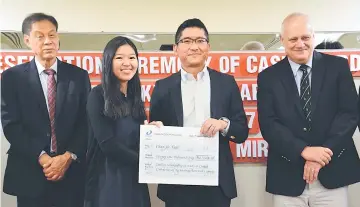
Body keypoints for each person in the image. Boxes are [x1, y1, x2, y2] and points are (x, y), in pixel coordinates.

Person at [257, 12, 360, 207]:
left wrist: (322, 155)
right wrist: (303, 151)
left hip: (332, 175)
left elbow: (348, 114)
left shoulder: (338, 67)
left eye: (305, 37)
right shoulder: (268, 77)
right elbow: (269, 124)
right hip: (287, 177)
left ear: (313, 37)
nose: (300, 44)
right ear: (282, 40)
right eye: (293, 39)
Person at [149, 18, 249, 207]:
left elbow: (242, 131)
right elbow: (155, 131)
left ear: (208, 47)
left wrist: (223, 124)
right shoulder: (163, 87)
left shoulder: (226, 84)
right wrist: (155, 131)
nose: (194, 47)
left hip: (217, 183)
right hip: (177, 183)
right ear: (175, 49)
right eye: (186, 41)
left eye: (200, 41)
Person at [1, 13, 91, 207]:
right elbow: (11, 126)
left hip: (71, 174)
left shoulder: (79, 76)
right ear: (27, 40)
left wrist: (67, 157)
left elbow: (85, 123)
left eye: (52, 35)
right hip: (29, 173)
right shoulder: (12, 78)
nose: (48, 41)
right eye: (40, 36)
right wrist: (42, 158)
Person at [84, 36, 162, 207]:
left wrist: (151, 132)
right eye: (119, 57)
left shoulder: (134, 98)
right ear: (108, 62)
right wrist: (146, 161)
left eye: (132, 57)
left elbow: (133, 136)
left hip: (134, 178)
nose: (127, 63)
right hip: (108, 180)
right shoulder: (97, 95)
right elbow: (108, 144)